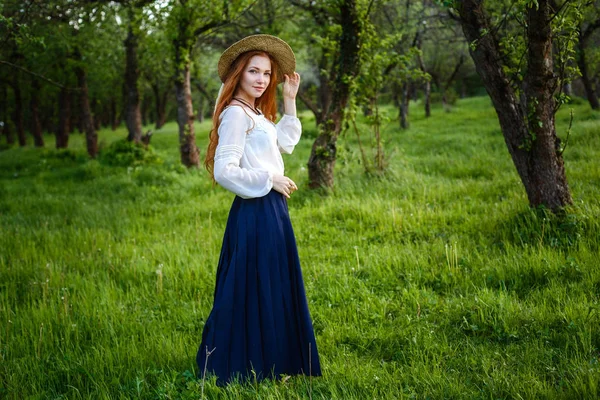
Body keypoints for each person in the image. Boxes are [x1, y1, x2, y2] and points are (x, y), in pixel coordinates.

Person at [197, 34, 322, 385]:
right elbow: (225, 171)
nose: (261, 79)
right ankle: (245, 365)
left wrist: (290, 101)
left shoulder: (255, 112)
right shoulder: (236, 114)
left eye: (266, 73)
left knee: (270, 285)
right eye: (254, 71)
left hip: (271, 210)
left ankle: (270, 362)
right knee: (253, 287)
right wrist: (269, 179)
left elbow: (285, 143)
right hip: (256, 211)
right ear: (239, 73)